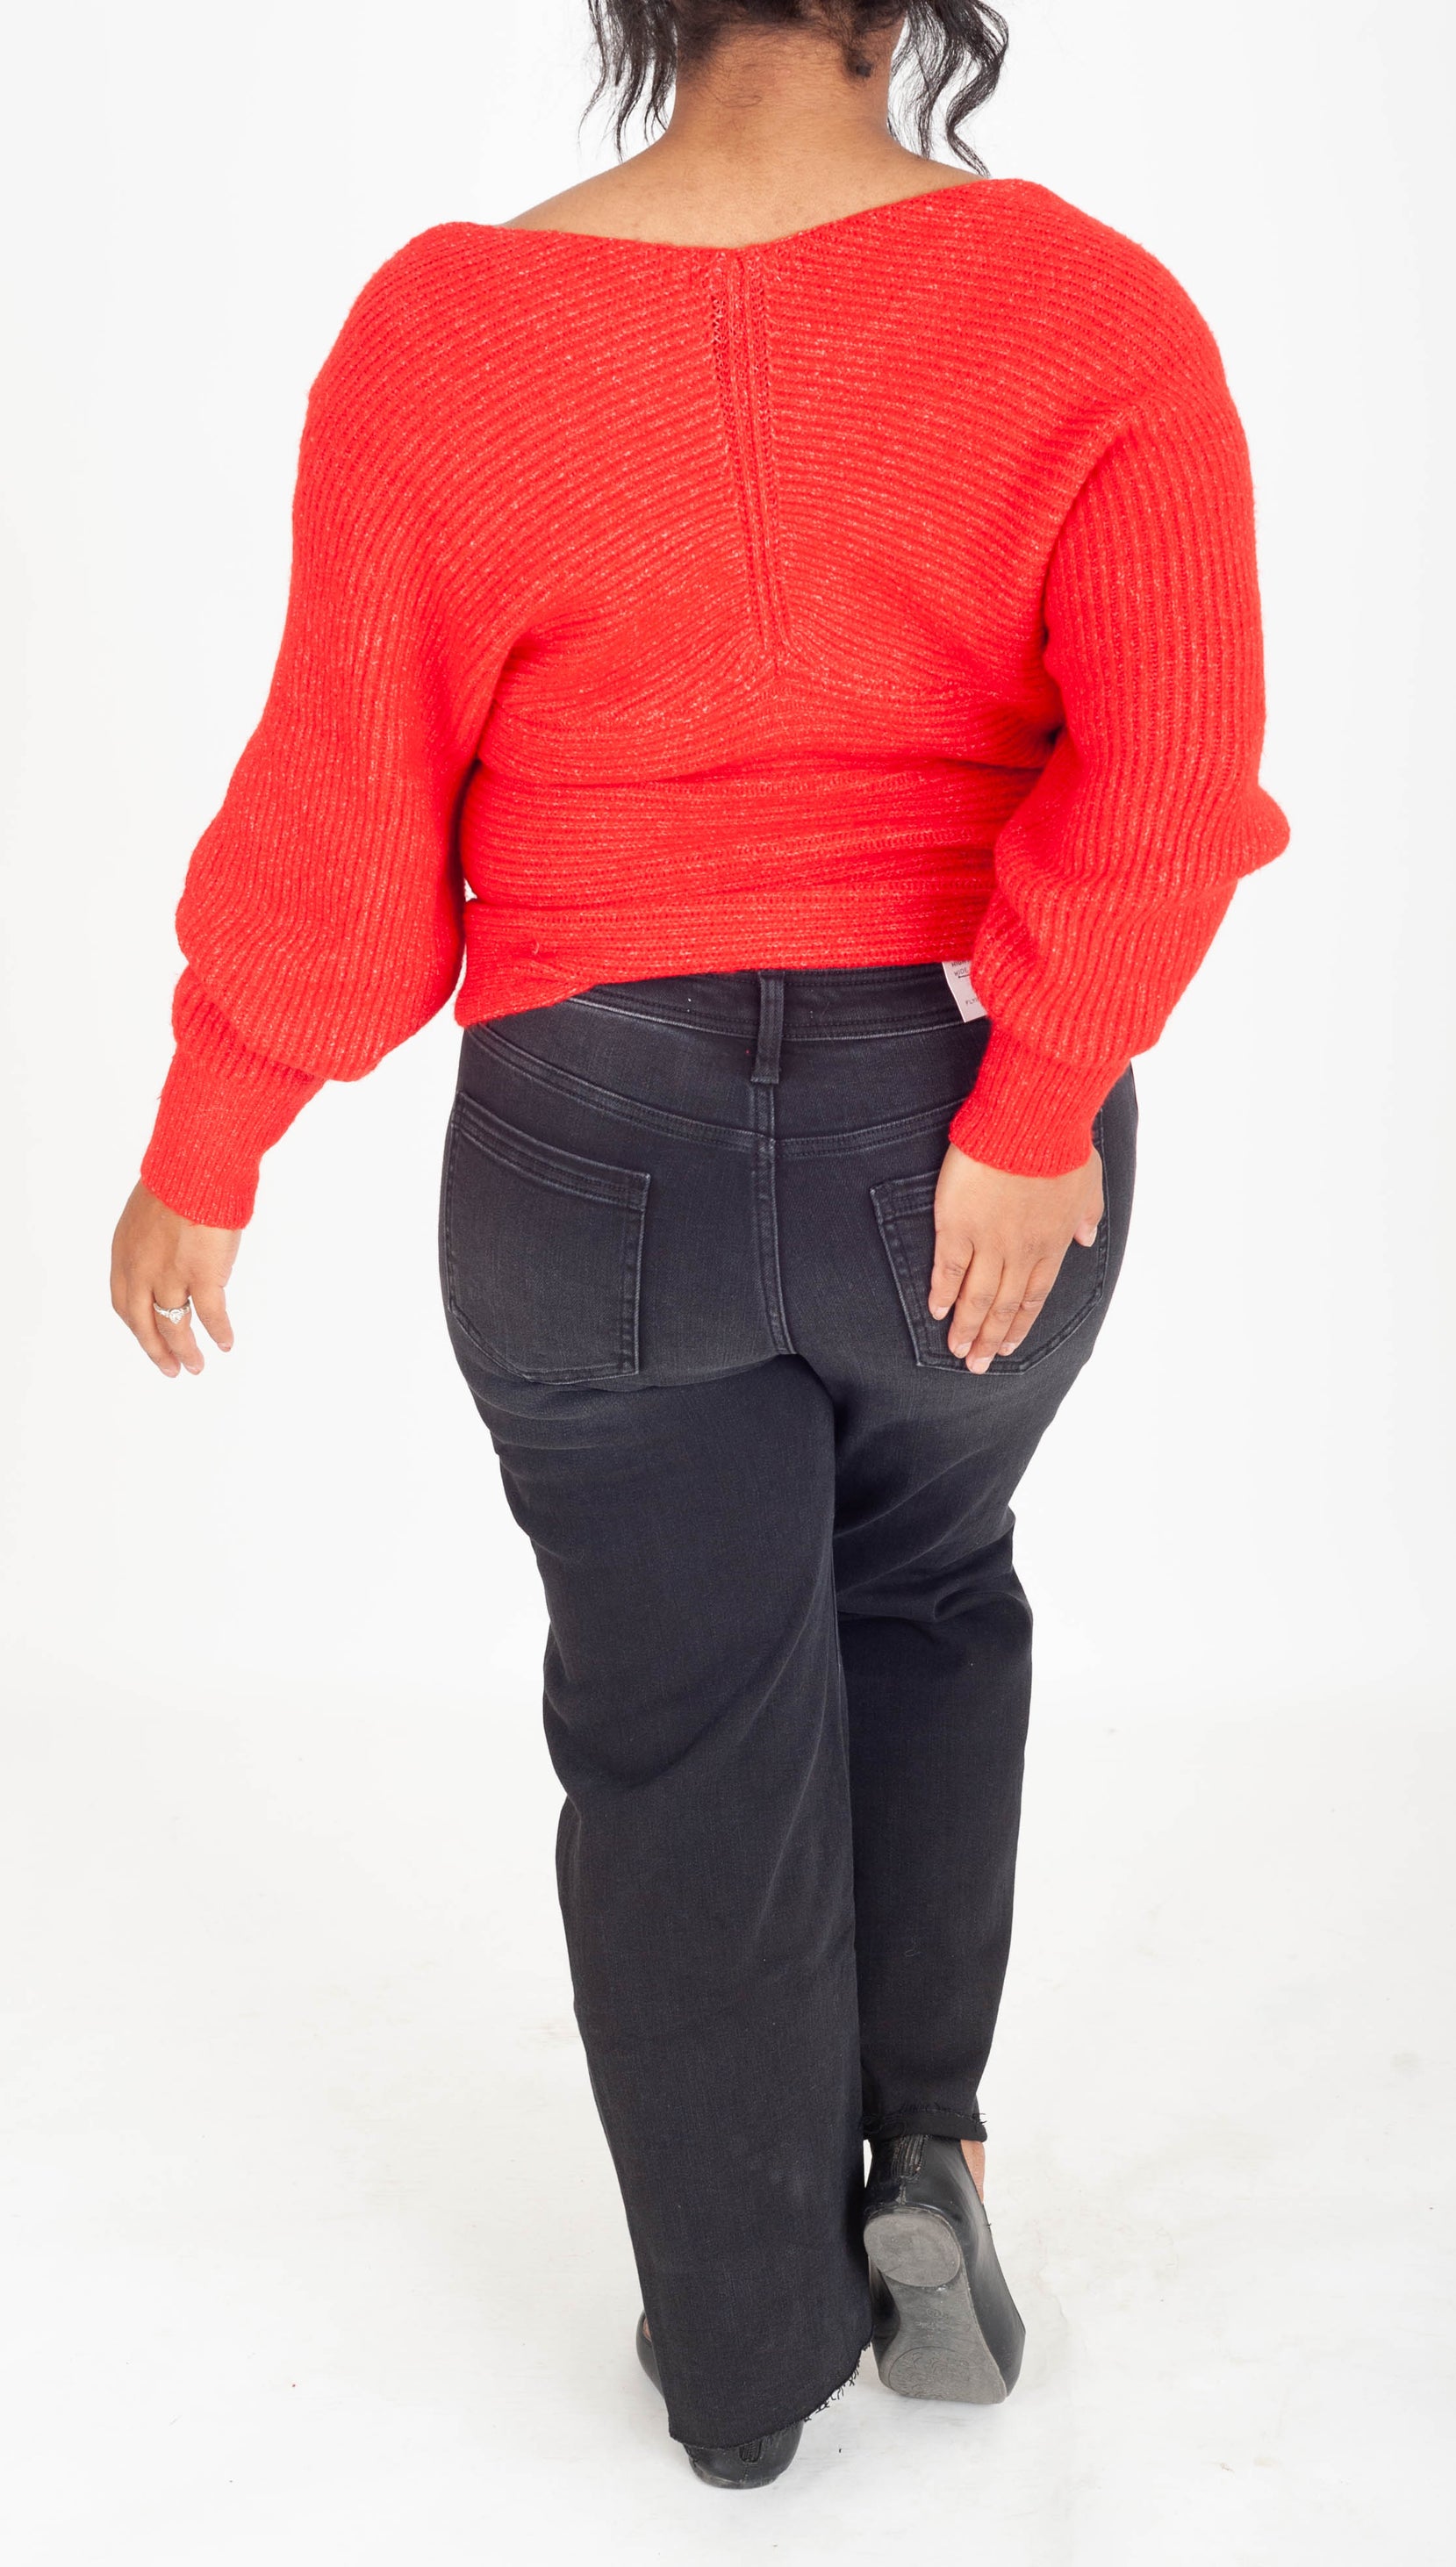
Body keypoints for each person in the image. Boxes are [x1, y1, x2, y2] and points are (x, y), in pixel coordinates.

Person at [109, 0, 1288, 2492]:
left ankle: (742, 2362)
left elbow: (344, 800)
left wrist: (212, 1130)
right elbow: (1172, 770)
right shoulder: (1086, 310)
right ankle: (924, 2147)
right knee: (924, 1583)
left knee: (676, 1720)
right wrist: (1033, 1106)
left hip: (591, 1130)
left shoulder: (449, 328)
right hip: (953, 1124)